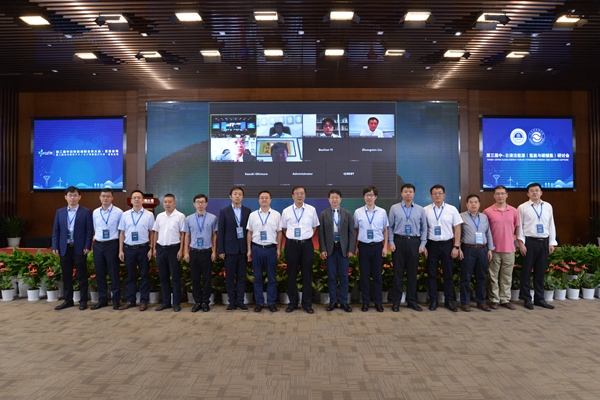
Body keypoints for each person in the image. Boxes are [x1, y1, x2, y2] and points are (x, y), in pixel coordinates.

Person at [52, 186, 94, 311]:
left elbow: (89, 231)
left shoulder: (86, 211)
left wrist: (87, 246)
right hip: (64, 248)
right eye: (70, 195)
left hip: (79, 248)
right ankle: (68, 300)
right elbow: (56, 230)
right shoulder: (59, 212)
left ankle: (83, 301)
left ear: (79, 197)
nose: (72, 198)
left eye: (75, 195)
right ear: (65, 197)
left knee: (82, 276)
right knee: (66, 276)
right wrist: (55, 246)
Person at [517, 183, 557, 310]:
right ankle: (527, 299)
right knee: (526, 272)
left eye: (537, 190)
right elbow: (519, 227)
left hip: (544, 242)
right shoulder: (522, 207)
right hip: (529, 242)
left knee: (540, 273)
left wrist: (551, 242)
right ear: (528, 194)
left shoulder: (548, 206)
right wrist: (521, 243)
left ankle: (539, 299)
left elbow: (551, 224)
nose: (535, 192)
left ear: (541, 192)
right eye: (532, 191)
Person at [388, 183, 427, 312]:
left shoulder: (420, 209)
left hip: (414, 242)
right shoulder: (394, 208)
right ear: (401, 194)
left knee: (412, 274)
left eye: (410, 191)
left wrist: (422, 244)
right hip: (398, 241)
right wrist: (391, 242)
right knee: (398, 274)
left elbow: (424, 228)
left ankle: (412, 301)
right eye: (405, 191)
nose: (408, 194)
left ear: (413, 194)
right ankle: (396, 303)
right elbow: (390, 227)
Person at [423, 184, 462, 312]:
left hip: (447, 245)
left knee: (448, 274)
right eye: (435, 193)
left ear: (444, 195)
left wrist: (456, 246)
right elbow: (422, 230)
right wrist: (423, 246)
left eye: (440, 193)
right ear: (431, 196)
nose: (437, 195)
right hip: (431, 245)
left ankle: (449, 301)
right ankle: (433, 301)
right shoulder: (425, 210)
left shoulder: (452, 209)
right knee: (432, 274)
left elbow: (457, 229)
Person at [281, 186, 320, 313]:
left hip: (306, 245)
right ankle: (292, 303)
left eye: (302, 193)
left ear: (305, 195)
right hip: (292, 245)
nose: (299, 196)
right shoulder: (286, 211)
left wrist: (306, 237)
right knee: (291, 274)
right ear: (292, 196)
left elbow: (315, 226)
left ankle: (307, 304)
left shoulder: (311, 210)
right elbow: (284, 229)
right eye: (297, 193)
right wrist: (293, 238)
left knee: (307, 275)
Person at [318, 189, 355, 312]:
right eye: (332, 197)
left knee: (344, 277)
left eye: (337, 197)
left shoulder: (347, 213)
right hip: (330, 250)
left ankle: (344, 302)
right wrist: (323, 249)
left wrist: (351, 249)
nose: (334, 199)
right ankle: (333, 301)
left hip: (344, 250)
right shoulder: (323, 214)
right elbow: (321, 233)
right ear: (329, 199)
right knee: (332, 277)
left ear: (341, 199)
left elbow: (351, 233)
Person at [483, 185, 519, 310]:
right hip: (493, 249)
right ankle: (494, 300)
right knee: (493, 276)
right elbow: (485, 230)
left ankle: (505, 300)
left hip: (509, 249)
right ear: (494, 196)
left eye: (502, 193)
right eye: (497, 193)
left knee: (507, 276)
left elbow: (515, 228)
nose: (500, 196)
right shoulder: (487, 211)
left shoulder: (514, 211)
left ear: (507, 195)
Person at [118, 190, 155, 311]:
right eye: (134, 198)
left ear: (143, 200)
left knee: (144, 276)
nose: (137, 200)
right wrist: (121, 250)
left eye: (139, 197)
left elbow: (153, 232)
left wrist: (151, 248)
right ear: (131, 200)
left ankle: (144, 301)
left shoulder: (149, 215)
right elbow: (122, 233)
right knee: (130, 276)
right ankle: (130, 300)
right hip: (128, 249)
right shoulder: (125, 215)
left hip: (143, 248)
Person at [246, 190, 282, 312]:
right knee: (257, 278)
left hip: (271, 249)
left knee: (271, 278)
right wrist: (249, 249)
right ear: (259, 200)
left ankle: (271, 302)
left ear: (270, 200)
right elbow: (249, 233)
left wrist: (279, 248)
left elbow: (279, 232)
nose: (264, 200)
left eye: (267, 197)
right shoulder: (253, 215)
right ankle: (259, 303)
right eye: (262, 198)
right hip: (256, 249)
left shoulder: (276, 215)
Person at [354, 185, 389, 312]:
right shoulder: (358, 212)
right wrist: (355, 246)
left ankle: (378, 303)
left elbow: (385, 230)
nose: (369, 197)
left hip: (378, 246)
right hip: (363, 246)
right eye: (367, 195)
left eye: (371, 195)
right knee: (364, 276)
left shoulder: (382, 212)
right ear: (364, 197)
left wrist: (385, 247)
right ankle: (365, 303)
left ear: (376, 197)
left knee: (377, 276)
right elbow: (356, 230)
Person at [458, 195, 494, 312]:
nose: (473, 204)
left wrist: (490, 249)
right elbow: (457, 234)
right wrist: (458, 248)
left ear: (479, 204)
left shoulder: (484, 217)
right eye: (471, 202)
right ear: (466, 204)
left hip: (482, 250)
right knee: (465, 277)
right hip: (468, 249)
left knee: (482, 277)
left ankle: (481, 302)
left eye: (476, 202)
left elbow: (488, 233)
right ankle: (465, 302)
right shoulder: (461, 216)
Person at [218, 187, 251, 311]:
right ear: (230, 196)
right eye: (235, 194)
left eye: (240, 194)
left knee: (242, 278)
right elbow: (221, 232)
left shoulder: (248, 211)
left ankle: (241, 302)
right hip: (229, 250)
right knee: (230, 278)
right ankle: (231, 302)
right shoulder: (224, 212)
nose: (237, 196)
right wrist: (221, 250)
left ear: (243, 197)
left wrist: (249, 249)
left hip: (242, 250)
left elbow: (249, 231)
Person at [184, 194, 218, 312]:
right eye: (198, 202)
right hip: (193, 252)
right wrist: (186, 252)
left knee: (207, 279)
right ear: (194, 204)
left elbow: (215, 235)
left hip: (207, 252)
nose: (200, 204)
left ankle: (205, 302)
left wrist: (214, 251)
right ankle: (197, 302)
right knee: (195, 279)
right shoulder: (188, 219)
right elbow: (187, 235)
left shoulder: (213, 218)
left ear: (206, 204)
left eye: (202, 202)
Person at [152, 194, 185, 312]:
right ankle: (166, 302)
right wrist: (154, 248)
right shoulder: (159, 216)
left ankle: (176, 303)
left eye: (170, 202)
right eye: (165, 202)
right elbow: (155, 233)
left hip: (174, 249)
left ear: (174, 203)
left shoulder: (180, 216)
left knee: (175, 277)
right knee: (163, 277)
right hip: (160, 249)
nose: (167, 204)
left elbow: (183, 234)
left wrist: (181, 250)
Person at [91, 188, 123, 310]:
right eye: (103, 196)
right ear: (99, 197)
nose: (105, 198)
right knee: (100, 274)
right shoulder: (95, 212)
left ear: (112, 198)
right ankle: (102, 300)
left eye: (108, 196)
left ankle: (116, 301)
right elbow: (95, 228)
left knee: (114, 273)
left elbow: (121, 231)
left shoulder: (119, 212)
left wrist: (120, 249)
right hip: (98, 245)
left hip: (112, 245)